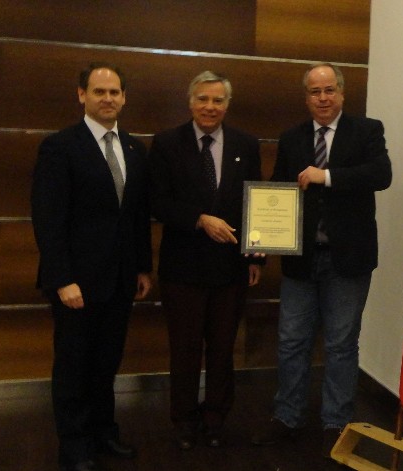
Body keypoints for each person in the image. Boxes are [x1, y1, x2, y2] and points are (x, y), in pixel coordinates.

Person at [251, 63, 392, 458]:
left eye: (330, 90)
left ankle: (337, 423)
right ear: (306, 97)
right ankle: (287, 416)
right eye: (315, 92)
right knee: (291, 341)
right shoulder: (292, 137)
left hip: (347, 261)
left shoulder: (367, 130)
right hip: (301, 261)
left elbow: (381, 174)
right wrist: (260, 236)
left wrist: (324, 176)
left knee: (342, 345)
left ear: (343, 93)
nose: (323, 98)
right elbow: (278, 191)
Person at [31, 62, 152, 471]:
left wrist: (142, 269)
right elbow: (48, 219)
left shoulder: (134, 148)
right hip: (76, 284)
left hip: (119, 282)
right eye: (99, 92)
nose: (108, 99)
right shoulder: (60, 147)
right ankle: (74, 446)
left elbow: (136, 216)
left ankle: (104, 433)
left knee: (106, 364)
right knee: (73, 367)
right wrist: (62, 278)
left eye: (115, 92)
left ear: (124, 97)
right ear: (81, 95)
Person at [148, 70, 263, 450]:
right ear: (190, 102)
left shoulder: (246, 144)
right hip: (183, 269)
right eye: (203, 99)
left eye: (217, 100)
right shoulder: (166, 144)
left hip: (230, 268)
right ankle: (183, 419)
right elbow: (156, 202)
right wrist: (198, 219)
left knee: (221, 348)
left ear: (227, 104)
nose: (210, 107)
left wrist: (255, 257)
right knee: (184, 349)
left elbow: (255, 202)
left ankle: (215, 417)